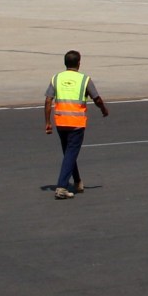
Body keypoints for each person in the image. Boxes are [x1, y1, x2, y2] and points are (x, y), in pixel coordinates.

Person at [44, 49, 110, 199]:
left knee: (69, 153)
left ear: (65, 63)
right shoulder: (84, 79)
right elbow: (97, 98)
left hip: (61, 122)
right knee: (71, 153)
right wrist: (104, 109)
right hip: (76, 123)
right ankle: (61, 187)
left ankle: (78, 182)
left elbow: (48, 100)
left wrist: (48, 122)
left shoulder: (56, 78)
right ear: (79, 63)